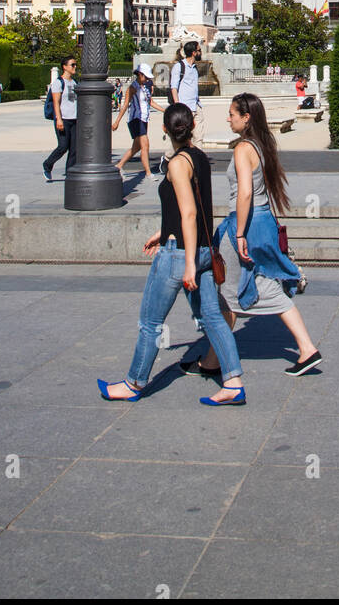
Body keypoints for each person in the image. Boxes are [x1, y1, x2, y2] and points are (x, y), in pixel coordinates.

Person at [97, 102, 245, 407]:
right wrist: (163, 232)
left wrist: (187, 261)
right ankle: (232, 382)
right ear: (190, 126)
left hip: (181, 255)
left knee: (150, 321)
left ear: (164, 129)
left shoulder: (178, 163)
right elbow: (192, 208)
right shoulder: (200, 158)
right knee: (214, 318)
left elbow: (189, 213)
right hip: (203, 249)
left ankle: (133, 383)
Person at [184, 92, 322, 379]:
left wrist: (238, 233)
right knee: (243, 285)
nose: (228, 117)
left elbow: (245, 192)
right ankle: (213, 360)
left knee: (231, 288)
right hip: (262, 222)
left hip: (246, 223)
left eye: (232, 113)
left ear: (246, 118)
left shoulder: (242, 149)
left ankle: (218, 362)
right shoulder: (260, 145)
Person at [114, 63, 164, 184]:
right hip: (136, 119)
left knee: (136, 147)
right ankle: (148, 173)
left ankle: (118, 166)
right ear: (140, 74)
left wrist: (165, 110)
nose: (147, 79)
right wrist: (117, 121)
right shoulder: (133, 87)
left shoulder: (144, 87)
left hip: (143, 119)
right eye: (145, 77)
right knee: (145, 145)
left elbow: (151, 102)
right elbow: (125, 104)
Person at [42, 55, 78, 182]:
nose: (75, 67)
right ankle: (47, 165)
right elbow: (56, 102)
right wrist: (59, 119)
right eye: (72, 65)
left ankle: (70, 173)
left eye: (75, 65)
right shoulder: (58, 83)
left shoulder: (74, 82)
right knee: (63, 146)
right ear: (64, 67)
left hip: (75, 119)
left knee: (74, 148)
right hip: (63, 119)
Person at [171, 41, 204, 148]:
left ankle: (198, 162)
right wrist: (178, 107)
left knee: (198, 137)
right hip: (185, 108)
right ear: (194, 52)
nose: (201, 52)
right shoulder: (179, 66)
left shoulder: (194, 68)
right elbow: (174, 88)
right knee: (183, 140)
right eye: (199, 50)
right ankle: (168, 158)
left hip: (196, 106)